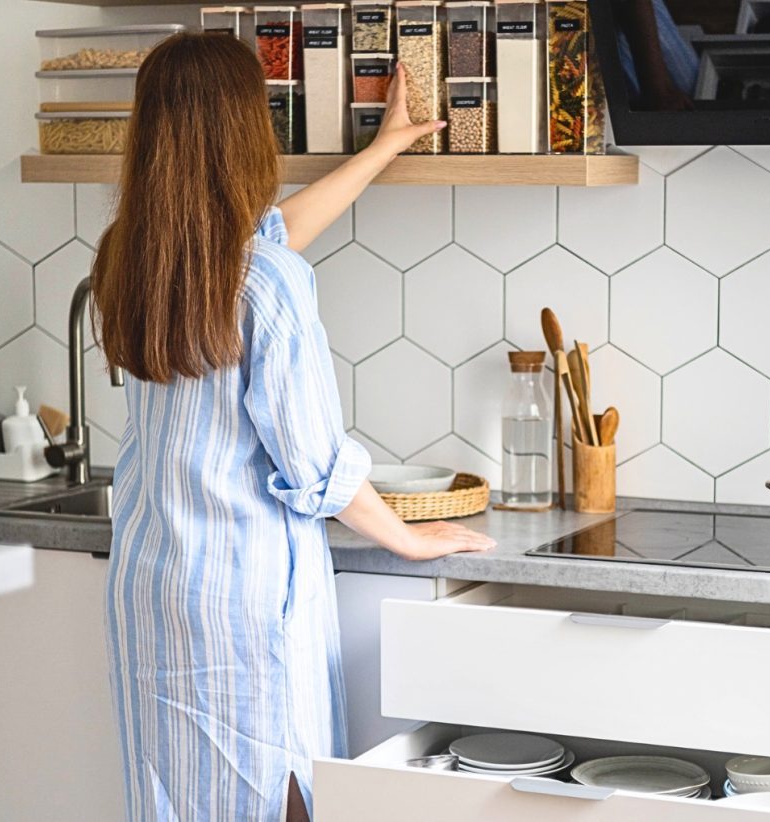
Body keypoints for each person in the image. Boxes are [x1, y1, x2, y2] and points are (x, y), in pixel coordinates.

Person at [92, 33, 495, 822]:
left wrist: (380, 151)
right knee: (277, 797)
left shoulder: (128, 258)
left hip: (153, 593)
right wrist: (407, 538)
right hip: (243, 605)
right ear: (245, 132)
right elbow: (315, 464)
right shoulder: (268, 283)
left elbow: (270, 235)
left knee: (176, 799)